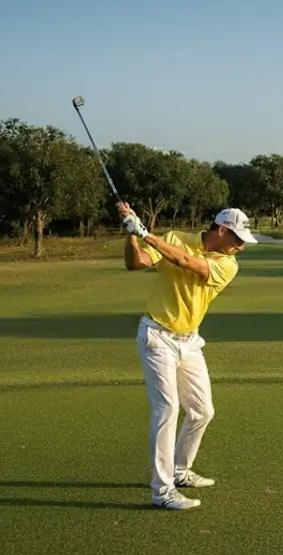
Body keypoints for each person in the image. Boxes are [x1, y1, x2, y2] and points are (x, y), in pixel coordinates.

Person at [118, 201, 258, 510]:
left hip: (190, 341)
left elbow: (185, 262)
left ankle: (180, 471)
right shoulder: (174, 237)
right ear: (221, 230)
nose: (241, 247)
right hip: (156, 335)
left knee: (202, 411)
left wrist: (143, 231)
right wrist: (131, 235)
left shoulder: (228, 265)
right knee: (167, 409)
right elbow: (136, 263)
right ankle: (162, 491)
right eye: (237, 240)